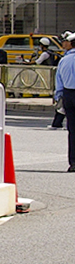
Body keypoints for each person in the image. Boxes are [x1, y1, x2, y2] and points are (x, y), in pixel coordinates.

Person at [54, 32, 75, 171]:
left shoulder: (64, 60)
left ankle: (73, 163)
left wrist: (59, 97)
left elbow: (59, 82)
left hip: (68, 95)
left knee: (72, 130)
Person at [47, 35, 69, 130]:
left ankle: (57, 124)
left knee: (64, 107)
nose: (62, 44)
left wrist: (58, 92)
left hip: (67, 89)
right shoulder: (66, 56)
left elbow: (60, 77)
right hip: (67, 88)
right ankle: (57, 123)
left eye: (64, 41)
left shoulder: (66, 58)